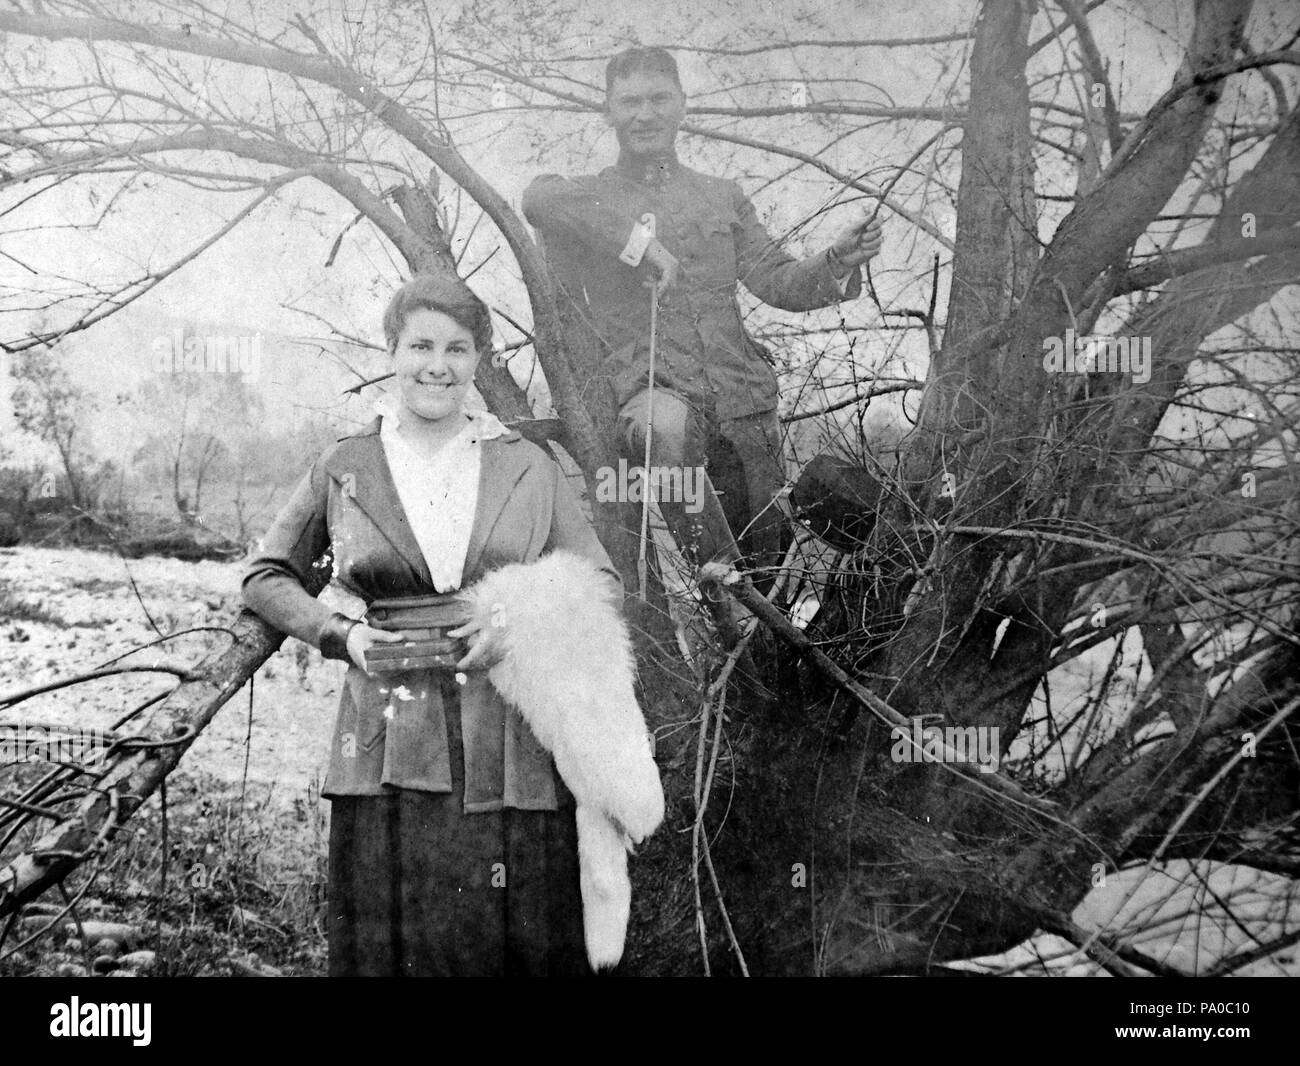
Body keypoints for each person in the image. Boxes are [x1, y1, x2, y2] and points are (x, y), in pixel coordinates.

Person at [242, 276, 620, 976]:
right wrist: (343, 636)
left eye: (457, 348)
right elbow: (265, 576)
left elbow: (600, 581)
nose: (436, 365)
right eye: (419, 345)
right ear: (392, 350)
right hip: (385, 741)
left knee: (510, 942)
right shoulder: (344, 464)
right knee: (396, 946)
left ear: (479, 359)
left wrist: (521, 618)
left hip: (510, 740)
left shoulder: (525, 465)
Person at [522, 45, 884, 579]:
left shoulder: (723, 196)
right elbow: (537, 199)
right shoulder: (593, 195)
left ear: (682, 106)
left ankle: (757, 633)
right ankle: (719, 588)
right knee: (668, 442)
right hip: (655, 391)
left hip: (741, 400)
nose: (644, 114)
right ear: (608, 110)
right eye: (629, 102)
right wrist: (634, 242)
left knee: (766, 555)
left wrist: (835, 260)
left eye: (658, 99)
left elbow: (777, 280)